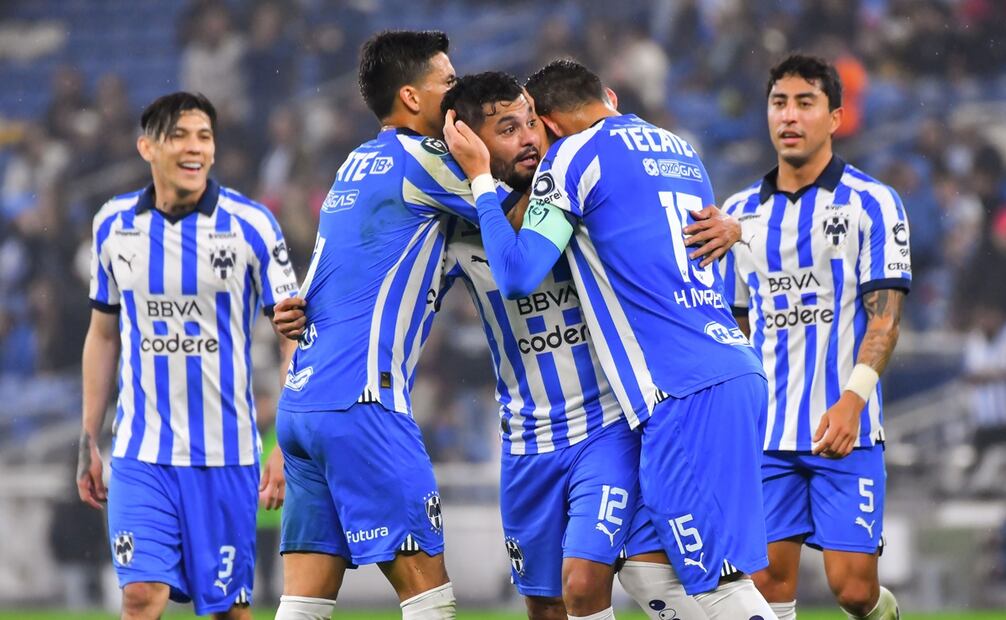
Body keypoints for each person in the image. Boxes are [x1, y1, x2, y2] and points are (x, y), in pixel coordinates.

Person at [443, 59, 775, 619]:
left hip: (680, 388)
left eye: (533, 126)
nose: (532, 142)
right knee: (647, 566)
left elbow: (518, 273)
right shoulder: (679, 148)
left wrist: (479, 178)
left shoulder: (572, 156)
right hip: (725, 362)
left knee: (714, 576)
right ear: (610, 98)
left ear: (549, 125)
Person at [267, 30, 485, 620]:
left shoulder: (355, 162)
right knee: (429, 597)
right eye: (448, 81)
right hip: (363, 402)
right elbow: (518, 220)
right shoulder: (427, 160)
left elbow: (322, 281)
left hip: (304, 403)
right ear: (411, 97)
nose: (458, 91)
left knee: (303, 604)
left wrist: (294, 311)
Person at [77, 92, 296, 620]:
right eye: (179, 136)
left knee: (227, 612)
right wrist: (88, 436)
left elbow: (294, 337)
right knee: (140, 596)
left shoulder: (251, 224)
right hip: (141, 451)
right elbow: (102, 335)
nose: (194, 147)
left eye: (204, 136)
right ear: (147, 148)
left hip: (226, 456)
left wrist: (289, 440)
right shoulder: (113, 225)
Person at [720, 54, 907, 620]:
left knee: (853, 590)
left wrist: (853, 399)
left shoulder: (872, 203)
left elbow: (885, 318)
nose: (790, 116)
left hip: (845, 427)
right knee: (765, 584)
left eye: (806, 103)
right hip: (766, 434)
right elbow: (735, 327)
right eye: (779, 103)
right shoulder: (737, 214)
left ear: (835, 117)